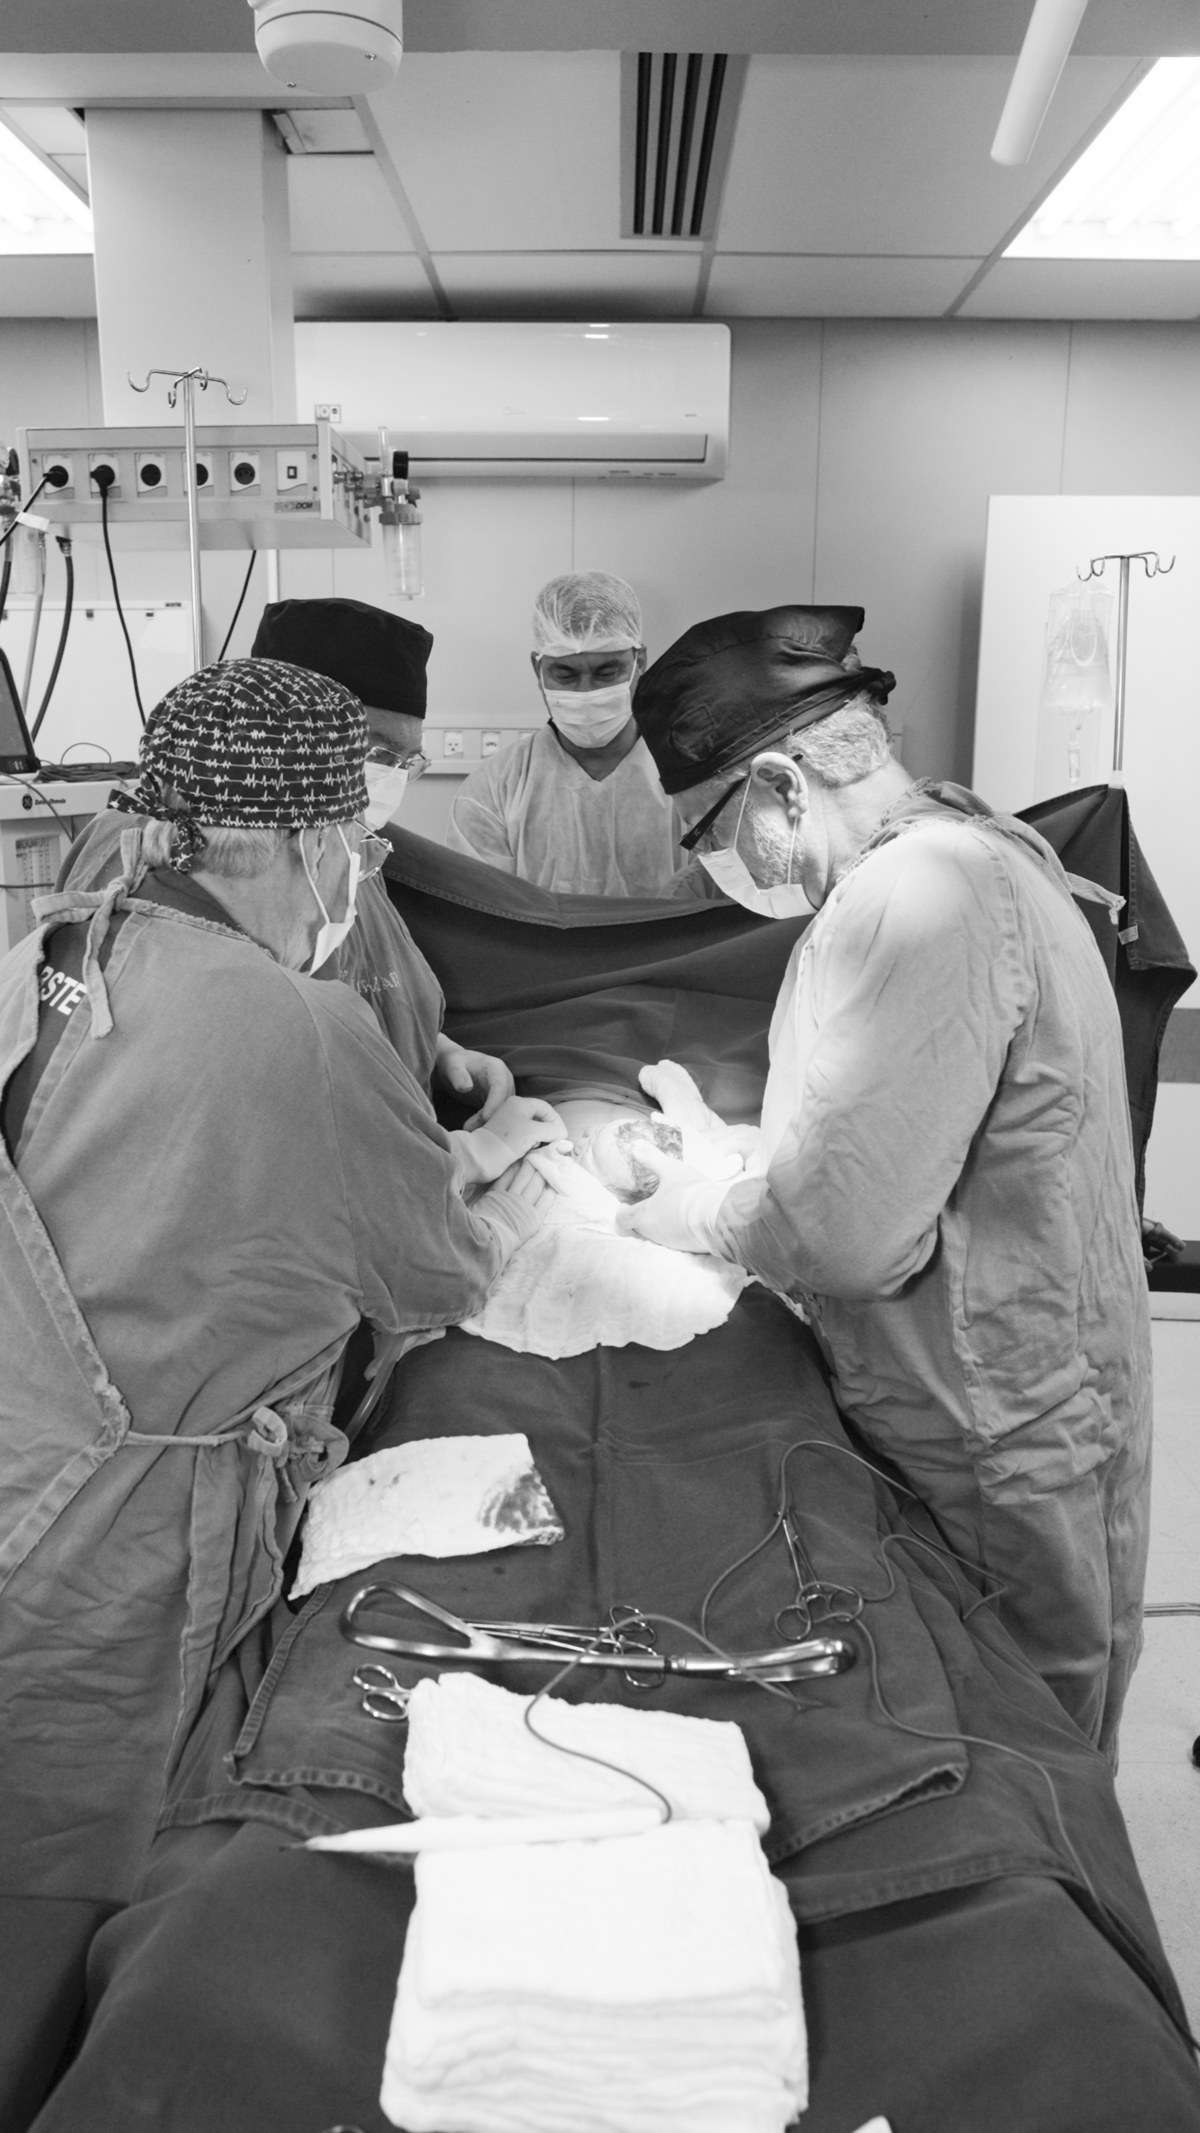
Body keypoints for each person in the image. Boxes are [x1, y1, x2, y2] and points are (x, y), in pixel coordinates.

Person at [0, 657, 560, 2013]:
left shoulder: (54, 949)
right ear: (312, 837)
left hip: (21, 1464)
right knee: (63, 1890)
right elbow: (434, 1276)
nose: (359, 875)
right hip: (120, 1546)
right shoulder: (302, 1024)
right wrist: (499, 1161)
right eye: (359, 845)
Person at [622, 607, 1151, 1759]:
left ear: (779, 786)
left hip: (992, 1438)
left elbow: (849, 1237)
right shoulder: (972, 853)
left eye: (708, 831)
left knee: (1021, 1767)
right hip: (1017, 1399)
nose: (715, 864)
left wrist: (695, 1208)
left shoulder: (920, 896)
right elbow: (918, 1139)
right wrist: (748, 1155)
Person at [62, 596, 515, 1125]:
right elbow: (233, 1089)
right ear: (281, 736)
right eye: (375, 753)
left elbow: (371, 989)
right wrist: (457, 1158)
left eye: (407, 761)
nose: (388, 778)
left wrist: (438, 1053)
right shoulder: (195, 863)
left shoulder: (341, 843)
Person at [445, 572, 687, 898]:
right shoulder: (493, 790)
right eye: (565, 674)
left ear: (639, 661)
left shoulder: (692, 779)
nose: (586, 692)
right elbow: (479, 909)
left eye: (606, 672)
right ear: (538, 669)